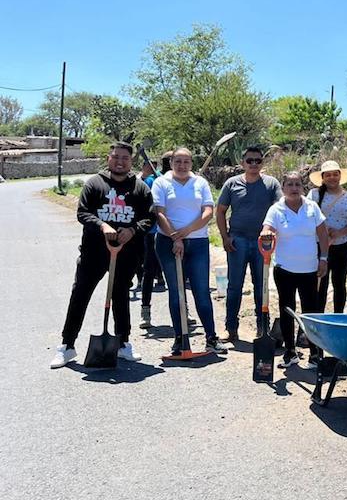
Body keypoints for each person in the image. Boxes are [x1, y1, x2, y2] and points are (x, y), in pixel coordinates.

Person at [50, 142, 153, 368]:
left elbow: (149, 218)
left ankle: (123, 343)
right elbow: (83, 213)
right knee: (80, 294)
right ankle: (67, 345)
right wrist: (102, 226)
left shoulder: (140, 188)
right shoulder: (94, 184)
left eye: (125, 158)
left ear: (131, 161)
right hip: (94, 252)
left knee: (121, 297)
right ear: (109, 159)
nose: (120, 161)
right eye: (116, 157)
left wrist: (133, 229)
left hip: (126, 254)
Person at [151, 148, 227, 355]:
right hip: (168, 243)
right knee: (176, 293)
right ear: (172, 163)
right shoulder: (161, 183)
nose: (182, 165)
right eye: (178, 161)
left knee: (202, 291)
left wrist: (184, 234)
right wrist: (175, 237)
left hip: (198, 243)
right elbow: (160, 214)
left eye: (186, 161)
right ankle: (180, 339)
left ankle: (211, 338)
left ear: (191, 163)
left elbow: (208, 212)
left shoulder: (200, 183)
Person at [263, 172, 329, 368]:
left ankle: (315, 353)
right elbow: (268, 229)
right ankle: (290, 352)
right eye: (289, 184)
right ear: (283, 188)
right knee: (287, 310)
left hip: (309, 269)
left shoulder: (312, 207)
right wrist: (266, 233)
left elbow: (323, 234)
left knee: (311, 312)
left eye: (297, 184)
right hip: (285, 269)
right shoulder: (276, 209)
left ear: (303, 187)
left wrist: (323, 258)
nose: (294, 188)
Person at [215, 146, 282, 342]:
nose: (254, 164)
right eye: (250, 160)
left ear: (262, 163)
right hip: (237, 240)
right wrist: (225, 237)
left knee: (261, 286)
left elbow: (280, 208)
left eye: (258, 161)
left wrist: (273, 232)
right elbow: (220, 211)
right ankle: (231, 328)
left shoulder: (271, 184)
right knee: (234, 286)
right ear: (242, 163)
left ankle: (263, 329)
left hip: (263, 243)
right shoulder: (231, 184)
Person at [308, 160, 347, 314]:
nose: (332, 178)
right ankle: (318, 316)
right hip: (319, 244)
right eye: (328, 175)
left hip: (343, 244)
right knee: (320, 281)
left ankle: (338, 316)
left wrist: (340, 232)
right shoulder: (314, 195)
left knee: (339, 282)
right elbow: (307, 216)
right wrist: (322, 229)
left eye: (335, 174)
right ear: (322, 177)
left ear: (340, 176)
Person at [138, 158, 166, 329]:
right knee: (149, 271)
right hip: (151, 232)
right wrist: (145, 174)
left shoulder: (168, 179)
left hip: (171, 232)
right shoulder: (147, 179)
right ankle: (145, 310)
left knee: (178, 273)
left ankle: (184, 310)